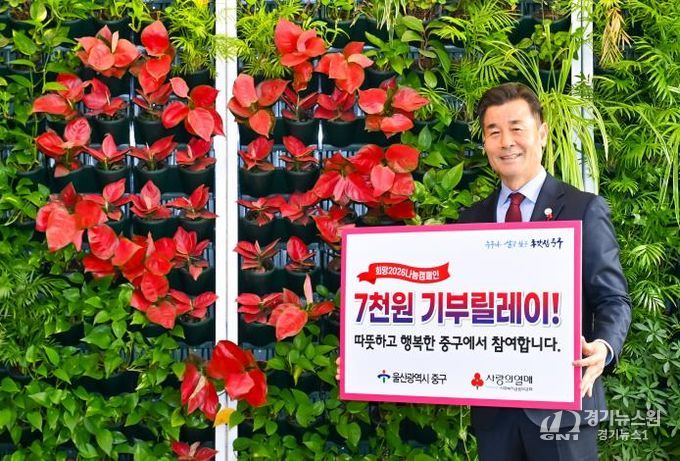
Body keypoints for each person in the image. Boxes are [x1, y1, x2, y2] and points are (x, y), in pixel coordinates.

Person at [456, 82, 631, 461]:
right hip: (494, 411)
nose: (506, 142)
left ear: (543, 134)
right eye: (494, 132)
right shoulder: (471, 221)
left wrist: (603, 348)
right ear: (485, 143)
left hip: (564, 408)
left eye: (517, 128)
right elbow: (451, 310)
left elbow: (613, 299)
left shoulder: (583, 209)